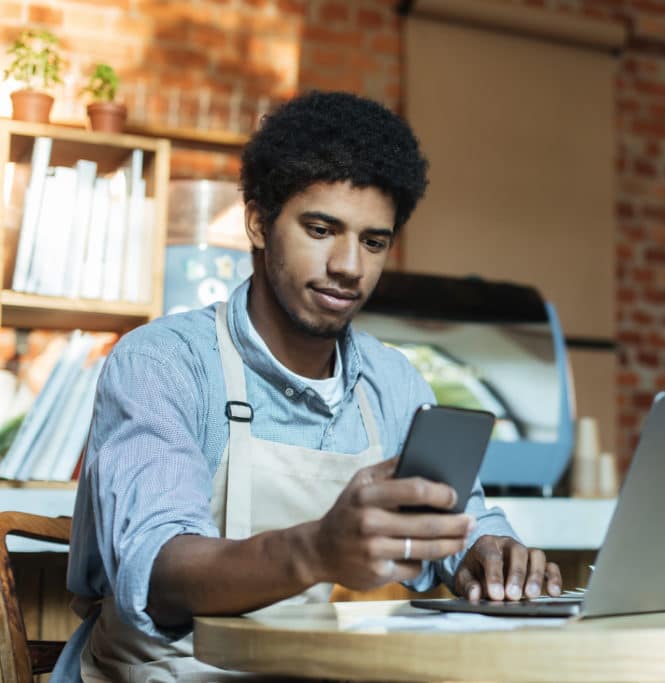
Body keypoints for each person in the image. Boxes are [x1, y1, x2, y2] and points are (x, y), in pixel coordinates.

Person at [54, 90, 562, 682]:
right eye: (321, 229)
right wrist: (317, 549)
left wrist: (488, 555)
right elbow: (161, 576)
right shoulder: (164, 363)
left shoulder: (394, 381)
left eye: (374, 241)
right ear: (257, 222)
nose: (350, 265)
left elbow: (456, 523)